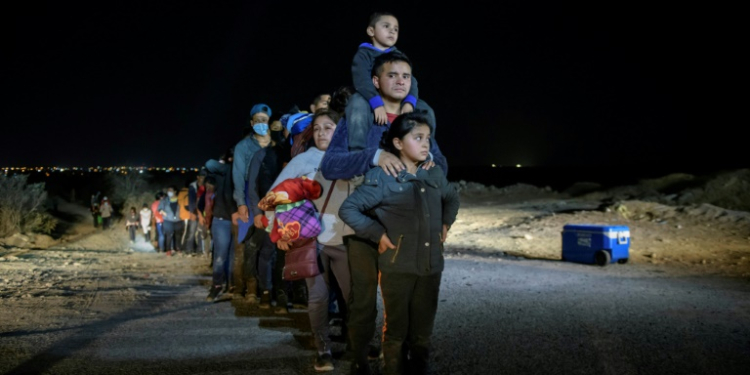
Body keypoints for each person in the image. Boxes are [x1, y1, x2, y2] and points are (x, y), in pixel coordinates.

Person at [320, 50, 448, 375]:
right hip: (366, 227)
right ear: (376, 81)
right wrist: (373, 156)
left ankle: (401, 361)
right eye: (393, 75)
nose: (400, 81)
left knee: (407, 303)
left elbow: (441, 163)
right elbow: (331, 165)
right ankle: (359, 361)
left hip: (406, 230)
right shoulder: (357, 117)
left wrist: (434, 168)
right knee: (362, 302)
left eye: (406, 76)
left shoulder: (417, 120)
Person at [339, 112, 459, 375]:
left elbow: (452, 197)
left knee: (422, 333)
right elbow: (349, 209)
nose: (426, 144)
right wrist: (377, 234)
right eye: (418, 138)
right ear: (398, 143)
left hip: (431, 268)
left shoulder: (434, 173)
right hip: (397, 268)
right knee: (396, 332)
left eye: (428, 138)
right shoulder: (383, 177)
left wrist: (445, 224)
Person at [267, 108, 354, 372]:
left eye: (328, 127)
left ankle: (357, 343)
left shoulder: (351, 158)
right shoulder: (303, 160)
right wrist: (278, 232)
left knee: (353, 296)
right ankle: (323, 349)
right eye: (317, 128)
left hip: (344, 239)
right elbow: (274, 196)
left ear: (339, 130)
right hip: (311, 241)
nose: (321, 133)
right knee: (317, 298)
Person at [346, 12, 437, 152]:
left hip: (397, 98)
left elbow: (412, 81)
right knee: (357, 102)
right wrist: (376, 103)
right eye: (386, 26)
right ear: (371, 31)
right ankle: (357, 151)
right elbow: (361, 80)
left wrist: (409, 102)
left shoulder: (399, 55)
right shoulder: (364, 54)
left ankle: (426, 151)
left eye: (396, 29)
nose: (392, 31)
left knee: (425, 109)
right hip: (370, 96)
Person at [232, 103, 273, 301]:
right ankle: (248, 288)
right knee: (248, 243)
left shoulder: (276, 145)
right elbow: (238, 176)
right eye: (257, 121)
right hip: (249, 196)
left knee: (270, 242)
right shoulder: (243, 147)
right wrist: (241, 203)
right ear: (251, 122)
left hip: (273, 196)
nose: (261, 124)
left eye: (264, 120)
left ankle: (270, 288)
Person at [205, 147, 237, 302]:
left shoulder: (243, 172)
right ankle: (217, 286)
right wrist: (227, 166)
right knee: (220, 257)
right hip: (222, 219)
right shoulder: (223, 172)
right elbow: (209, 164)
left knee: (232, 257)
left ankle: (231, 286)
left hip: (237, 220)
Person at [159, 186, 184, 255]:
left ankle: (178, 248)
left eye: (171, 190)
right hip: (168, 220)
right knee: (169, 235)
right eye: (168, 191)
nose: (169, 192)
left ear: (175, 191)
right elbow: (160, 209)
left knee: (178, 235)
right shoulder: (164, 200)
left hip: (178, 219)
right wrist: (163, 213)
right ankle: (168, 250)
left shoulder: (180, 199)